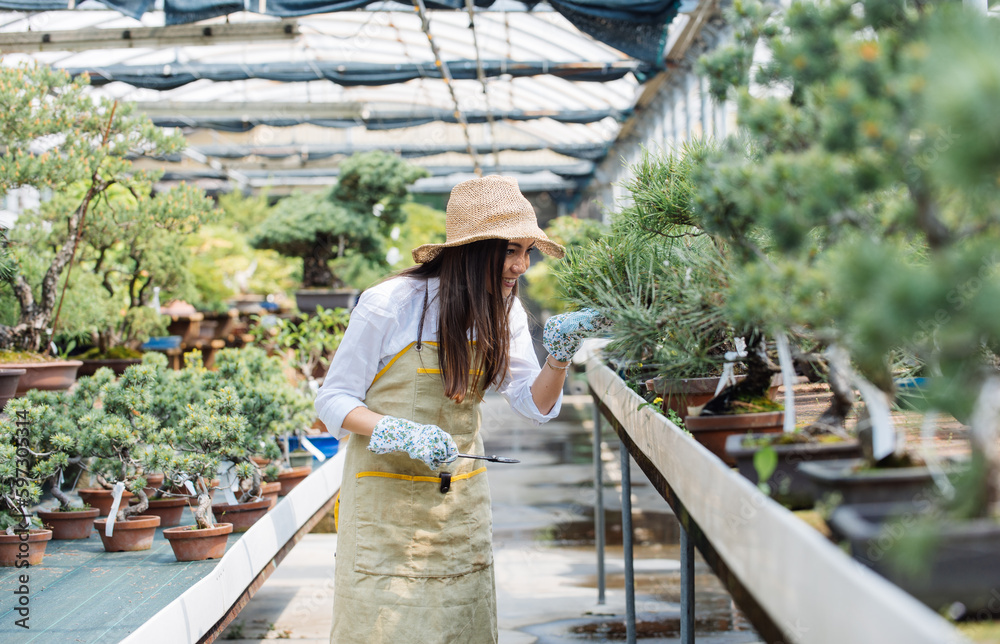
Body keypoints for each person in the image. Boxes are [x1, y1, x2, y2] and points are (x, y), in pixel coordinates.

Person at [315, 175, 610, 644]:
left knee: (460, 624)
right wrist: (400, 432)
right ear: (475, 250)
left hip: (458, 502)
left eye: (527, 252)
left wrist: (559, 355)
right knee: (384, 627)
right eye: (512, 250)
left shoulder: (504, 311)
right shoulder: (390, 304)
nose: (521, 266)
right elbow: (333, 400)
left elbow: (534, 404)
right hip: (386, 505)